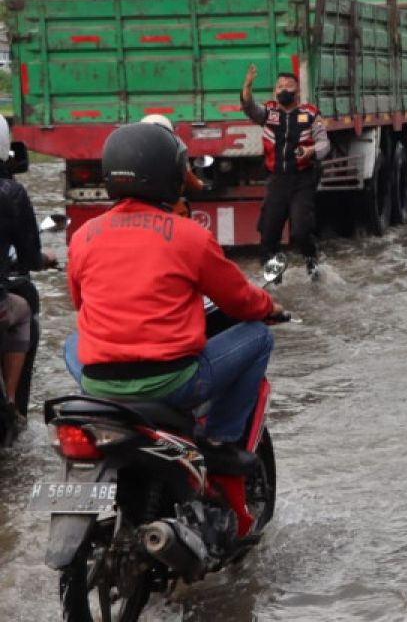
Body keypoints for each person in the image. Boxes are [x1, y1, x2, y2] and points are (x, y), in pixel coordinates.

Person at [63, 123, 284, 452]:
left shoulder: (83, 236)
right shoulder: (190, 236)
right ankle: (222, 440)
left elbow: (81, 303)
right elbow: (240, 300)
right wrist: (270, 308)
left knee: (71, 340)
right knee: (260, 336)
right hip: (172, 383)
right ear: (171, 176)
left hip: (99, 382)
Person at [240, 65, 330, 277]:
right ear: (274, 92)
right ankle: (273, 278)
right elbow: (250, 108)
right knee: (268, 234)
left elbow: (325, 144)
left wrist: (310, 150)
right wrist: (247, 85)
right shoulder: (269, 113)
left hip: (302, 180)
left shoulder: (310, 114)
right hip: (276, 181)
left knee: (300, 230)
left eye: (288, 86)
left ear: (298, 91)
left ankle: (313, 265)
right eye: (279, 86)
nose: (283, 90)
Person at [0, 117, 56, 421]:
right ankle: (12, 403)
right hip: (7, 298)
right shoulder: (11, 193)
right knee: (22, 312)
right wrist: (44, 259)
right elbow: (30, 256)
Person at [141, 114, 205, 216]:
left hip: (137, 208)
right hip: (170, 210)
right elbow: (187, 178)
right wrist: (199, 185)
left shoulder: (132, 149)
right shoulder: (176, 149)